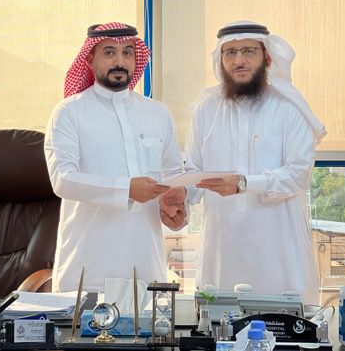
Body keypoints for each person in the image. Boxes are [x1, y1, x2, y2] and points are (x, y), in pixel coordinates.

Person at [185, 20, 326, 305]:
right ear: (221, 60)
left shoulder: (289, 109)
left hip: (278, 249)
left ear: (268, 58)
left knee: (282, 324)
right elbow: (192, 172)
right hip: (222, 249)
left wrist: (244, 184)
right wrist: (179, 198)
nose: (239, 60)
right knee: (219, 322)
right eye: (230, 53)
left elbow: (298, 175)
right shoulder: (205, 111)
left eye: (248, 51)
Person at [45, 22, 186, 292]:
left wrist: (176, 209)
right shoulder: (69, 112)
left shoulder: (158, 113)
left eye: (127, 53)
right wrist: (127, 189)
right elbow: (63, 180)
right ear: (90, 59)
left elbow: (173, 176)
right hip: (87, 268)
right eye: (109, 52)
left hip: (146, 265)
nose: (120, 61)